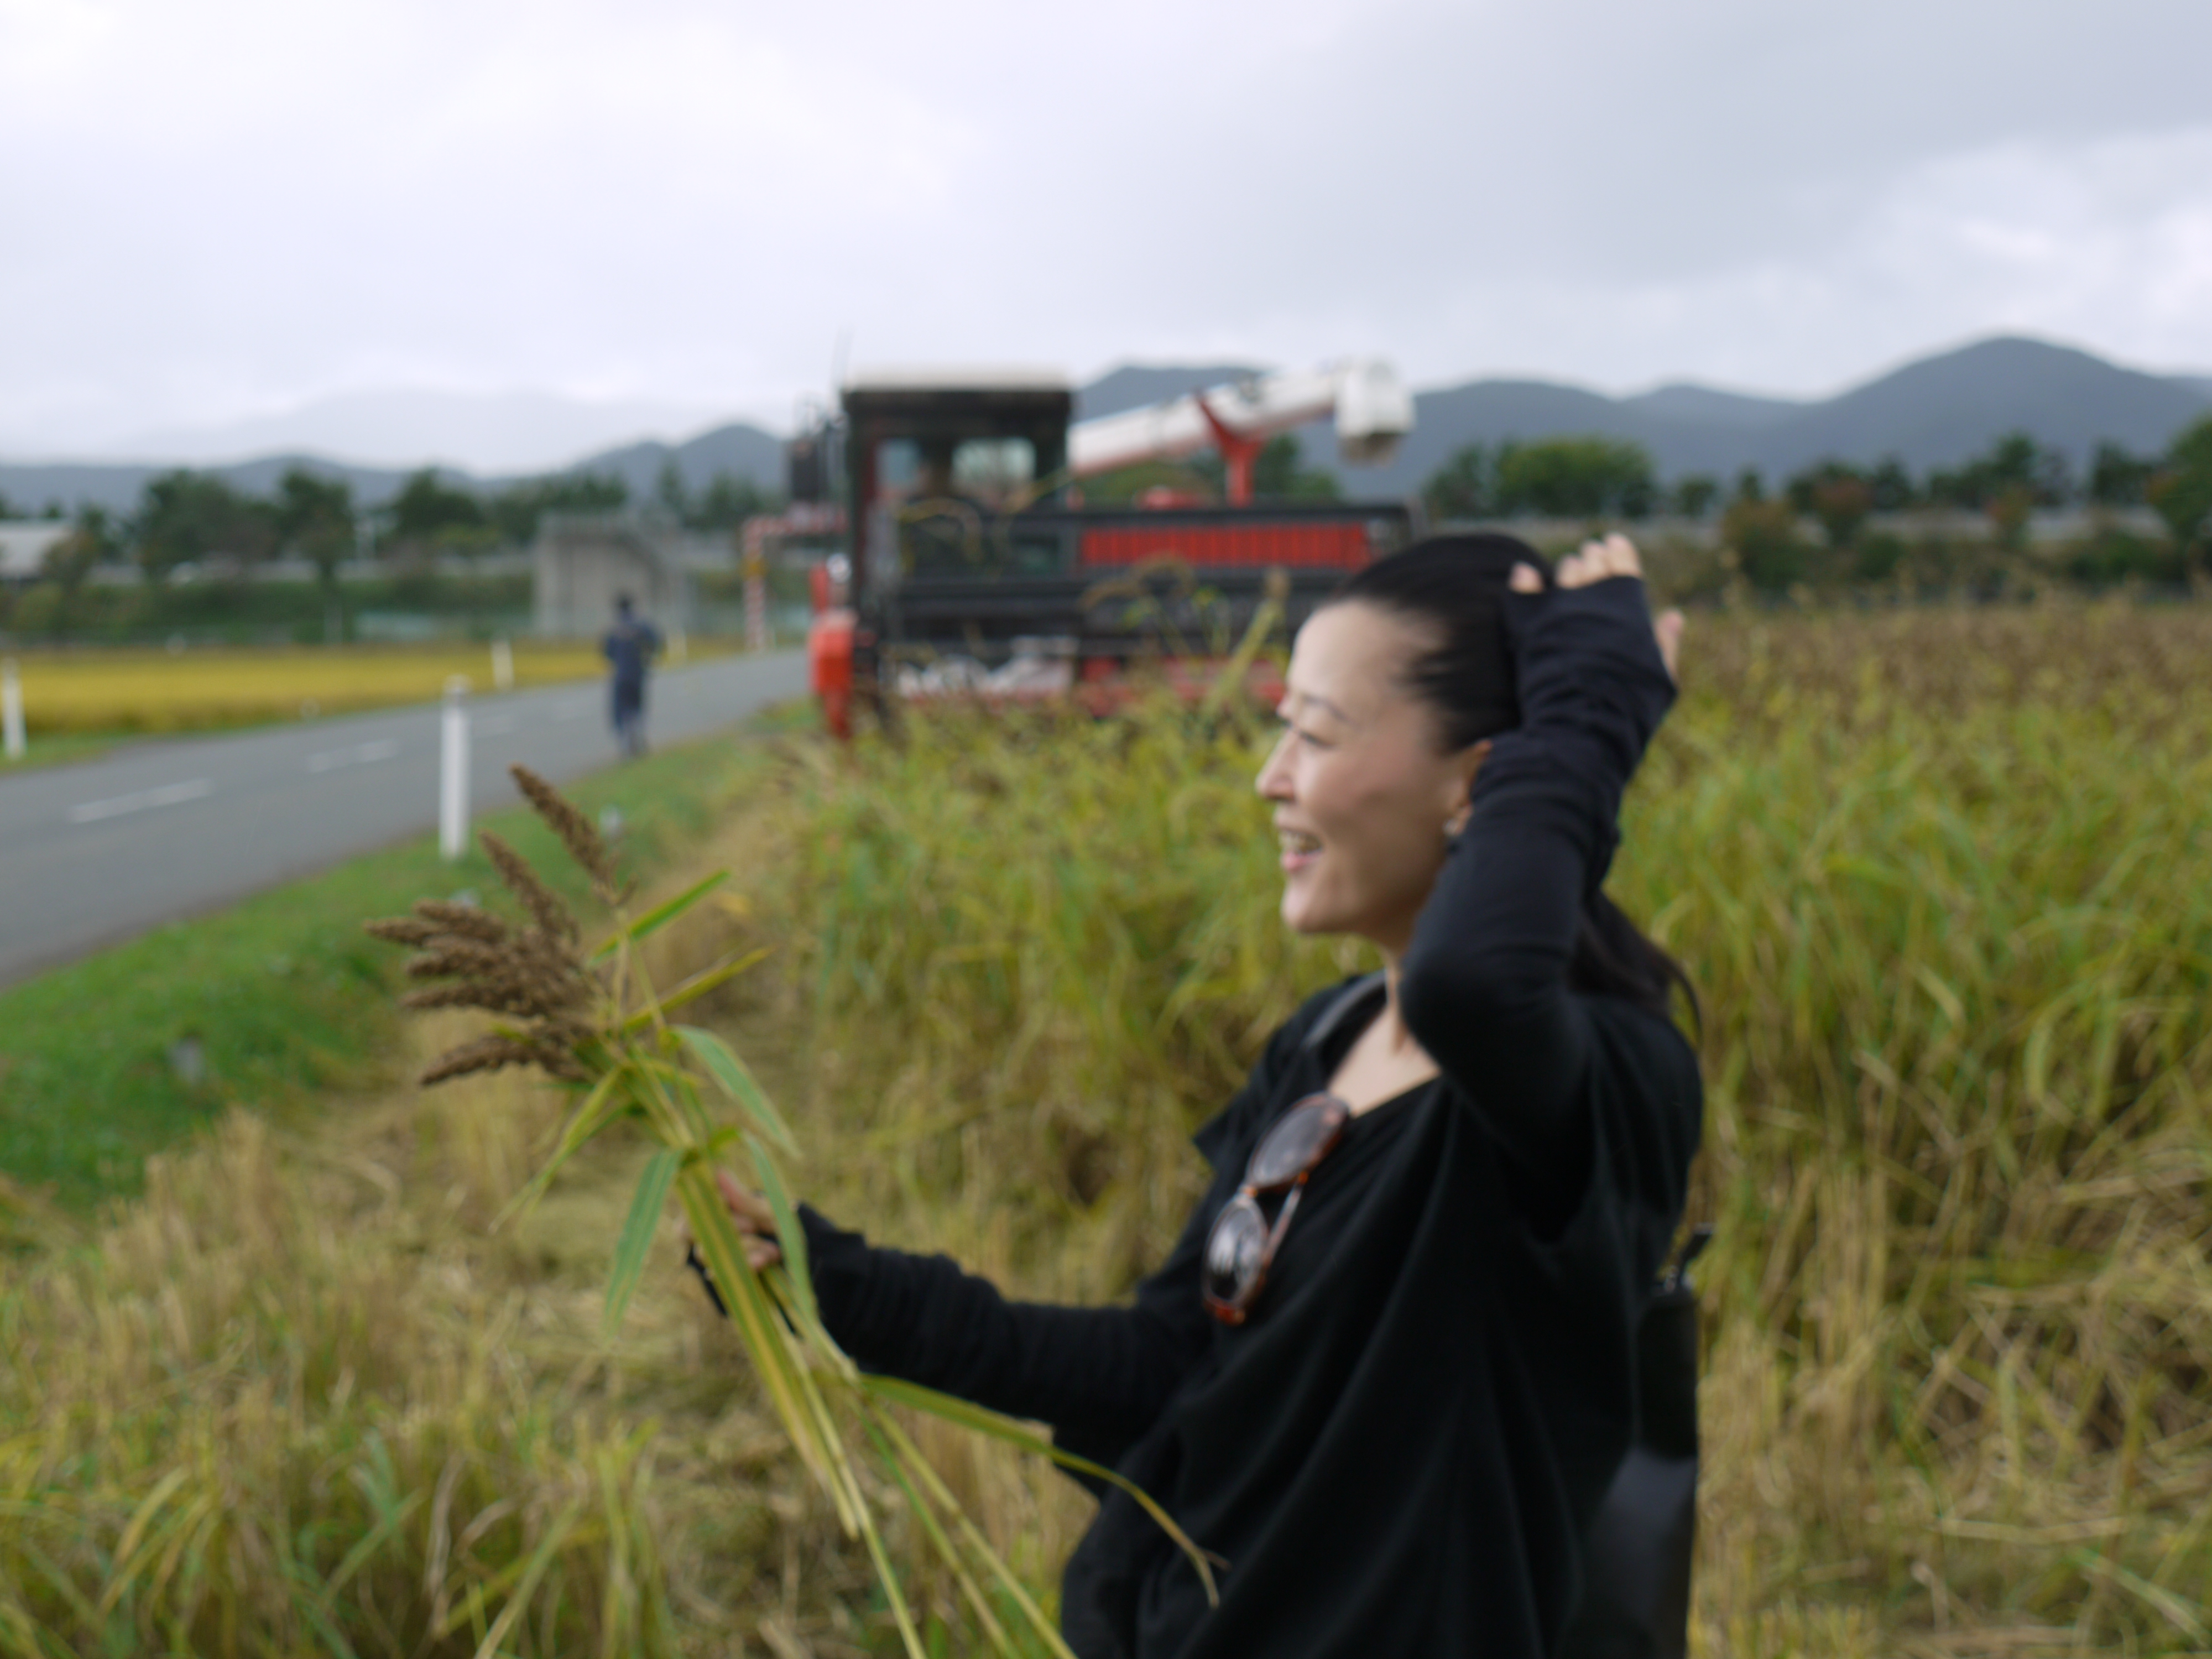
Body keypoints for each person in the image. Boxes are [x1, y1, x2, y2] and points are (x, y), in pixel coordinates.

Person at [700, 532, 1703, 1657]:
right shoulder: (1325, 1044)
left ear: (1477, 781)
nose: (1268, 776)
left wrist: (1591, 714)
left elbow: (1474, 984)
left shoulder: (1590, 1090)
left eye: (1314, 733)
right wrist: (829, 1280)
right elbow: (1163, 1370)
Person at [603, 593, 661, 757]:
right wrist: (649, 660)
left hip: (620, 675)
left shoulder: (614, 628)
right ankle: (639, 736)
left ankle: (625, 743)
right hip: (638, 673)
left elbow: (607, 653)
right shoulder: (642, 625)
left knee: (621, 709)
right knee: (638, 707)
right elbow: (655, 643)